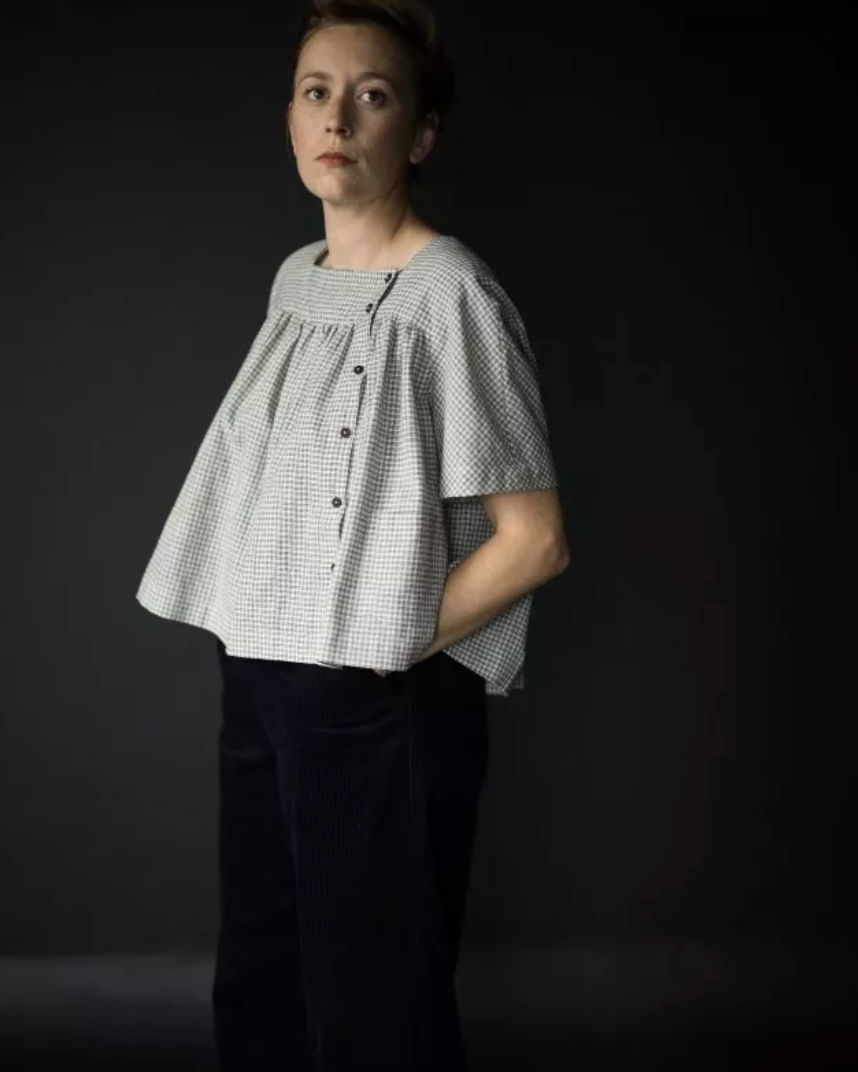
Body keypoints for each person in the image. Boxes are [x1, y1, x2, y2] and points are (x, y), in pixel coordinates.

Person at [135, 1, 569, 1068]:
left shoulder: (451, 295)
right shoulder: (298, 278)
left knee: (376, 1004)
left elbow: (535, 542)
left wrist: (381, 649)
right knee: (264, 979)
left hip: (377, 699)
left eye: (372, 96)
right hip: (259, 676)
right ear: (290, 120)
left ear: (418, 134)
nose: (338, 118)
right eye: (316, 92)